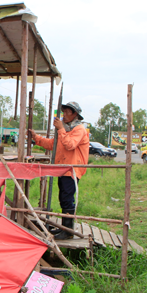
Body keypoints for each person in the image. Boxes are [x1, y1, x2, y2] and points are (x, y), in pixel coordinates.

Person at [29, 101, 89, 240]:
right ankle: (65, 227)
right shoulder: (65, 129)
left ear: (75, 115)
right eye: (64, 111)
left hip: (72, 170)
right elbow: (53, 144)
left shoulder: (78, 129)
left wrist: (61, 129)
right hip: (63, 169)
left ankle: (67, 231)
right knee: (63, 198)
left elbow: (70, 145)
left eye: (68, 112)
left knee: (67, 198)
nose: (65, 114)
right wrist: (36, 138)